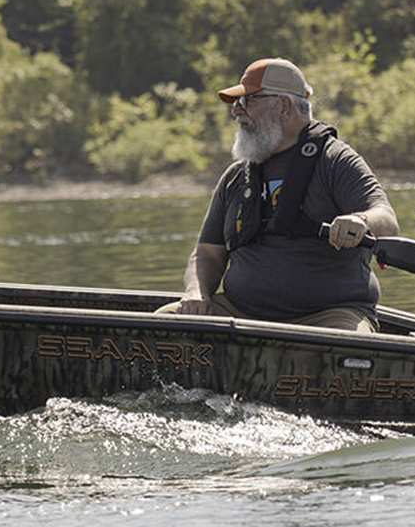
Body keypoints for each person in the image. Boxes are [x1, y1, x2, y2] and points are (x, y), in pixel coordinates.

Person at [156, 57, 398, 331]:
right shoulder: (235, 177)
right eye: (237, 103)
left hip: (329, 317)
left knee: (348, 348)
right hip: (240, 312)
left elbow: (387, 220)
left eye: (248, 101)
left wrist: (361, 221)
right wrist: (196, 293)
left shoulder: (336, 160)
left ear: (284, 106)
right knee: (163, 325)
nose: (237, 111)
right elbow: (208, 255)